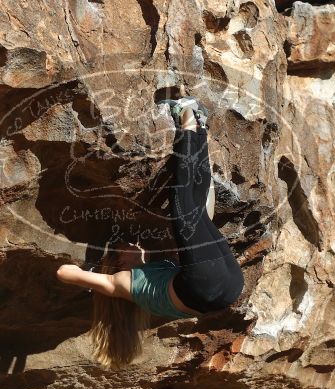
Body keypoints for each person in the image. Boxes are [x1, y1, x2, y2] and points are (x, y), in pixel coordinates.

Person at [56, 97, 245, 368]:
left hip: (230, 289)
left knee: (197, 210)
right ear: (121, 263)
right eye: (122, 247)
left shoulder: (151, 287)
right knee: (182, 207)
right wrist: (90, 274)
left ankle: (198, 127)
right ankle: (186, 114)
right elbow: (64, 273)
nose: (132, 243)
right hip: (206, 286)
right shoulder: (124, 283)